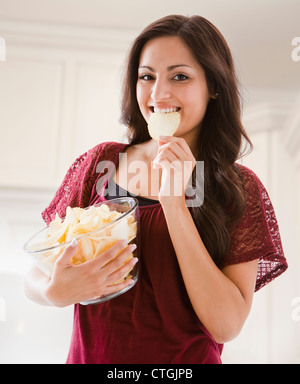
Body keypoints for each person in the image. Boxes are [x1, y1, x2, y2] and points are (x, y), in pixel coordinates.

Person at [24, 15, 288, 364]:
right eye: (147, 77)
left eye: (180, 76)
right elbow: (37, 273)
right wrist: (54, 292)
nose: (159, 93)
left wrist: (174, 204)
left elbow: (226, 325)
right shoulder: (100, 164)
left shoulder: (237, 187)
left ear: (213, 86)